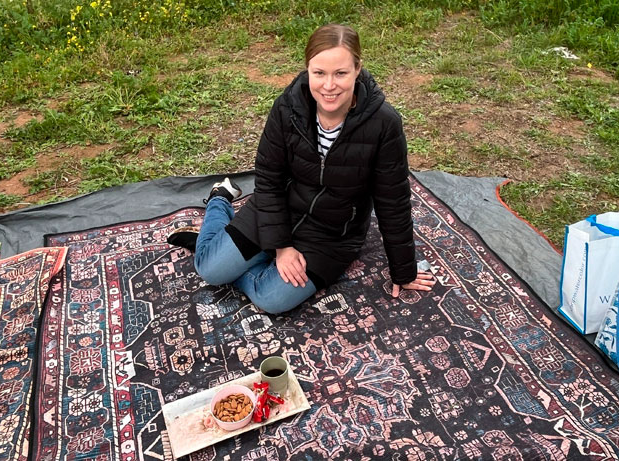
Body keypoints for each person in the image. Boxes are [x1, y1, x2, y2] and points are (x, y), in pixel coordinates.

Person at [168, 23, 435, 314]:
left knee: (270, 300)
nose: (329, 85)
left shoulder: (384, 124)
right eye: (319, 73)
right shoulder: (287, 107)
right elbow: (269, 179)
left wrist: (403, 270)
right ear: (308, 69)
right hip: (279, 210)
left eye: (341, 73)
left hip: (331, 236)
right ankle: (221, 199)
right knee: (209, 270)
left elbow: (393, 202)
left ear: (358, 69)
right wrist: (281, 248)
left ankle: (234, 254)